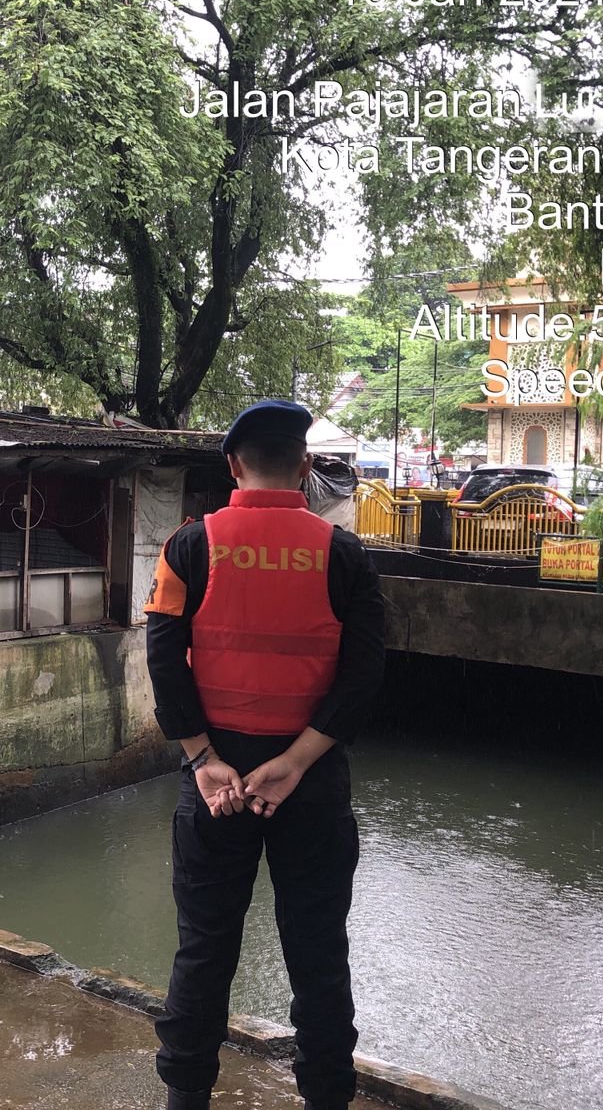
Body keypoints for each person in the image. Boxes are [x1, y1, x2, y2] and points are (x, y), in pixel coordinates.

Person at [143, 400, 386, 1110]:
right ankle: (325, 1100)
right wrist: (301, 758)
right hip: (307, 782)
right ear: (305, 467)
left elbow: (163, 657)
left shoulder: (189, 545)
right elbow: (366, 672)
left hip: (217, 781)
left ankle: (185, 1099)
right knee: (317, 953)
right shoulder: (343, 553)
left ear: (231, 467)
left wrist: (202, 757)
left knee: (204, 949)